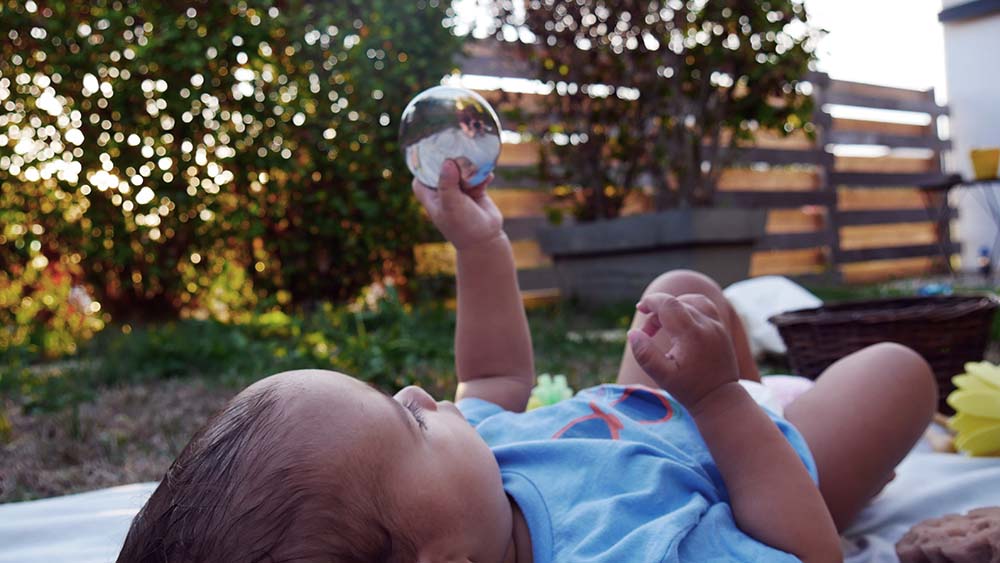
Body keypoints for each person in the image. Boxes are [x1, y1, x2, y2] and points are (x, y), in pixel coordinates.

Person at [116, 160, 937, 563]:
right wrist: (723, 400)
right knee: (899, 370)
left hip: (656, 413)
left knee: (678, 286)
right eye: (406, 420)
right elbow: (806, 554)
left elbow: (495, 380)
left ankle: (748, 372)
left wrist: (482, 248)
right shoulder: (620, 550)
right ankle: (784, 401)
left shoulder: (470, 486)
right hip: (766, 473)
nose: (416, 392)